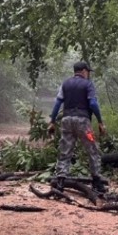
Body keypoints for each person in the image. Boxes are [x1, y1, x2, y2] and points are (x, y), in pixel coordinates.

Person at [47, 61, 107, 193]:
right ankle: (97, 182)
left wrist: (52, 121)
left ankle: (61, 181)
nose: (88, 74)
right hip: (83, 122)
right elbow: (93, 104)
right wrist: (100, 121)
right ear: (84, 71)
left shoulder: (65, 84)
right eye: (88, 72)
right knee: (92, 149)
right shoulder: (88, 84)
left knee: (65, 150)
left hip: (66, 121)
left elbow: (57, 103)